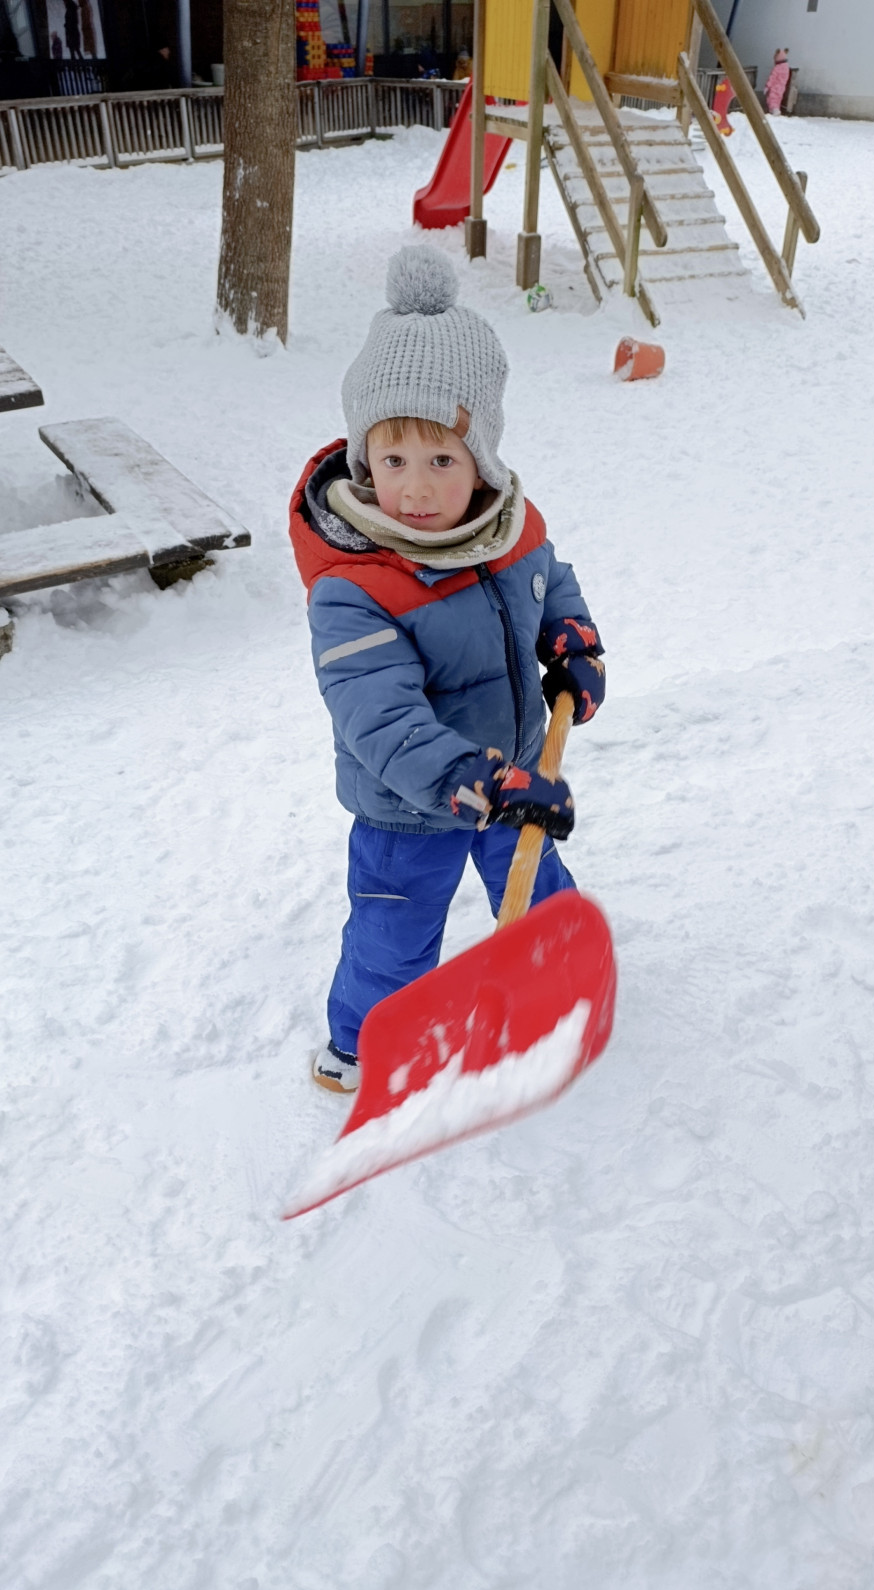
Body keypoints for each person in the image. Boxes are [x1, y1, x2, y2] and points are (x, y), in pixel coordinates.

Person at [288, 246, 605, 1094]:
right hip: (407, 806)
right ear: (364, 461)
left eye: (441, 461)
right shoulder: (354, 586)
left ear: (482, 462)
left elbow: (545, 578)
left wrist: (570, 638)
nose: (416, 490)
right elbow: (380, 722)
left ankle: (556, 974)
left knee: (536, 884)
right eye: (393, 462)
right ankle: (359, 1041)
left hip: (516, 776)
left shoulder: (507, 527)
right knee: (393, 932)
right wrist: (480, 781)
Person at [764, 47, 790, 115]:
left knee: (772, 99)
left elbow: (772, 78)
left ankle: (774, 110)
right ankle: (776, 109)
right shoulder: (786, 67)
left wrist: (767, 86)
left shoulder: (777, 68)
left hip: (775, 86)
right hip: (782, 87)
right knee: (778, 99)